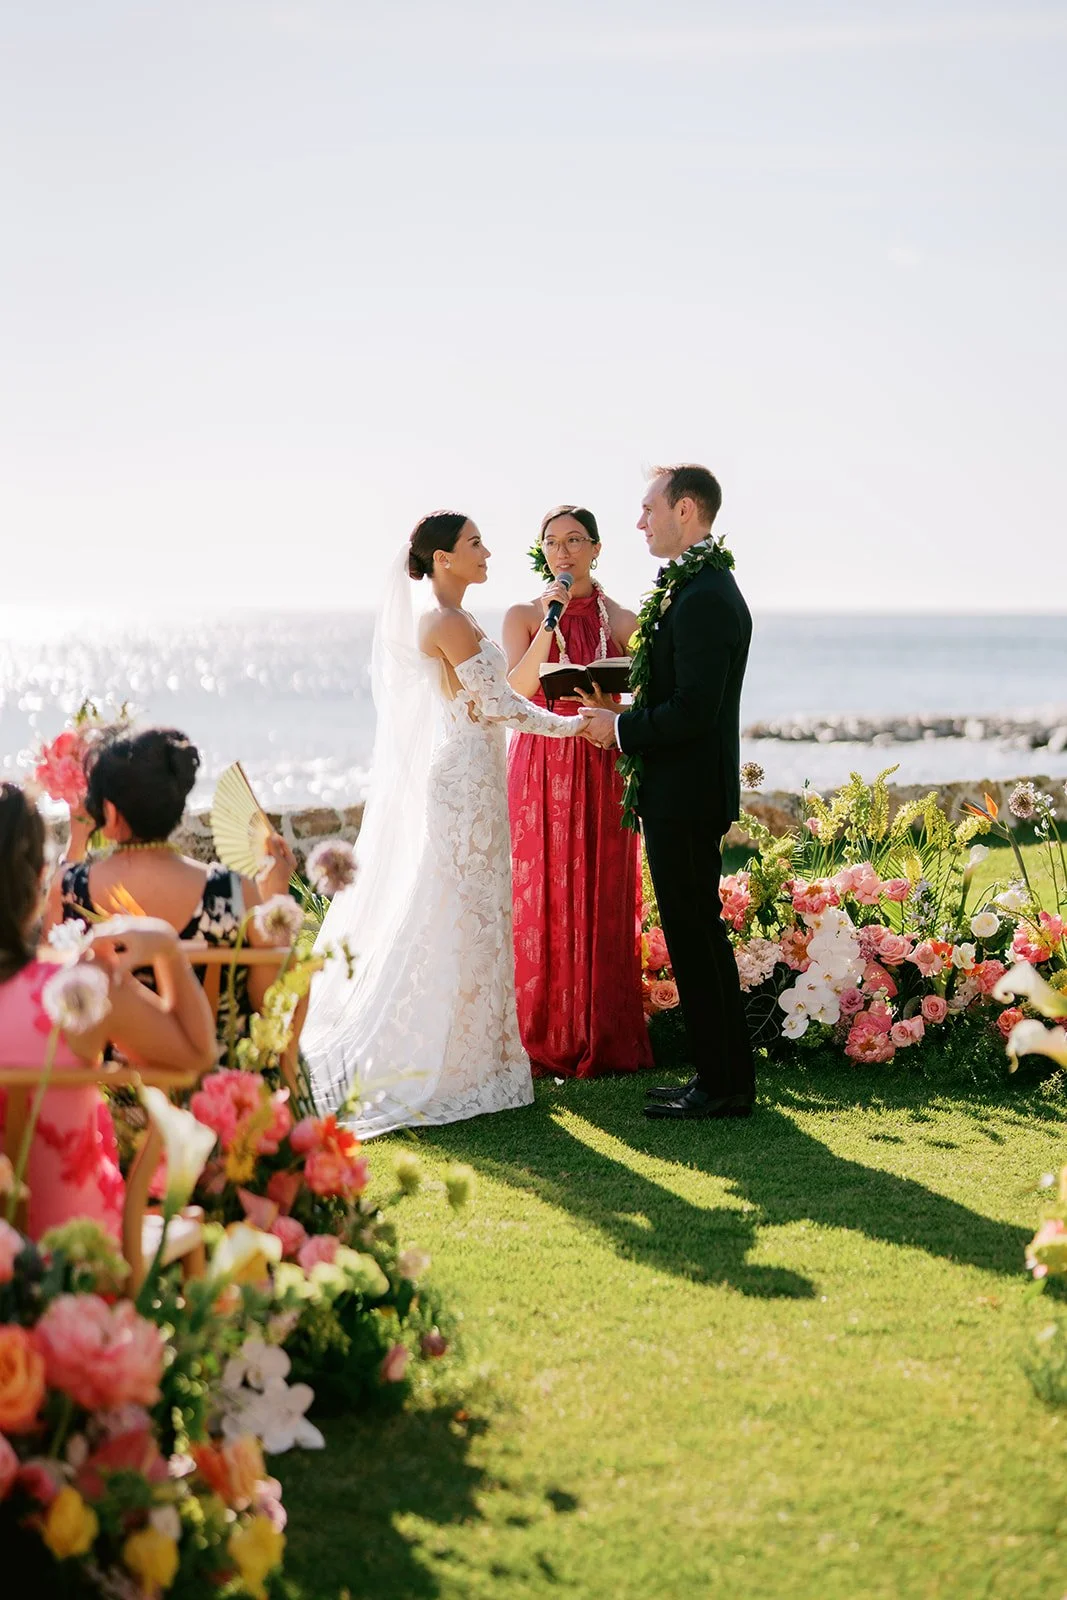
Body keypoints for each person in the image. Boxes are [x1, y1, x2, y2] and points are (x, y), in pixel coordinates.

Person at [303, 511, 583, 1135]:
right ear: (442, 559)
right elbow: (498, 706)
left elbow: (509, 684)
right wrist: (573, 728)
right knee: (457, 909)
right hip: (461, 785)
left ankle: (478, 1057)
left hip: (477, 780)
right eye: (474, 543)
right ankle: (448, 1060)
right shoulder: (444, 621)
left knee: (479, 912)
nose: (487, 551)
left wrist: (551, 624)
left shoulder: (466, 621)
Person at [580, 465, 755, 1120]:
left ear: (685, 510)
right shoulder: (695, 587)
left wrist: (618, 727)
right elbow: (679, 688)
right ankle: (724, 1079)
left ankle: (720, 1086)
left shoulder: (705, 594)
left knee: (694, 934)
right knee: (694, 934)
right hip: (680, 791)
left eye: (647, 507)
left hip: (685, 794)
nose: (639, 521)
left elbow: (693, 712)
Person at [0, 782, 216, 1239]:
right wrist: (164, 947)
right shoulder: (81, 989)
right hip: (78, 1248)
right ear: (39, 879)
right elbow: (198, 1054)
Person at [503, 505, 652, 1078]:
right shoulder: (524, 614)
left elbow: (650, 693)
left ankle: (601, 1030)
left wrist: (614, 708)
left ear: (595, 549)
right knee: (544, 884)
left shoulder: (622, 618)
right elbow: (515, 689)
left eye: (574, 541)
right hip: (542, 760)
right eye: (551, 543)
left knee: (602, 885)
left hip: (603, 758)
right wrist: (549, 624)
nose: (562, 552)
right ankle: (543, 1028)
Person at [54, 726, 297, 1038]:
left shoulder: (71, 890)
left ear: (110, 814)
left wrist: (76, 846)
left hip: (112, 1079)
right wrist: (276, 897)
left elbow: (50, 996)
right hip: (215, 1078)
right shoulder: (233, 892)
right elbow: (273, 1007)